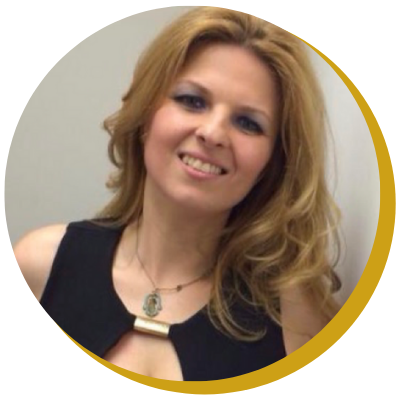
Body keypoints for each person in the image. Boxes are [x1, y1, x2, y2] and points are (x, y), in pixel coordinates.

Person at [13, 6, 341, 381]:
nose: (212, 133)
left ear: (273, 162)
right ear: (145, 114)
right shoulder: (41, 264)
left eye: (248, 123)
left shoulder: (299, 319)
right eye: (192, 101)